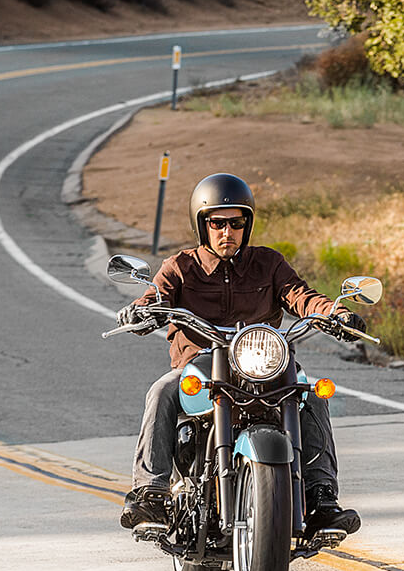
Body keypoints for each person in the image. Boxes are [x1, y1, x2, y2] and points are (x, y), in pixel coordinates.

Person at [116, 172, 364, 539]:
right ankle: (150, 492)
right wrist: (142, 309)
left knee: (312, 393)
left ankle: (322, 499)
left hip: (264, 362)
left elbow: (301, 295)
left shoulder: (269, 264)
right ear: (203, 225)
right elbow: (157, 295)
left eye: (236, 223)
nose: (227, 232)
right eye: (217, 223)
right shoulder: (181, 267)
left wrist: (334, 314)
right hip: (203, 363)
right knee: (162, 390)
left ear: (247, 224)